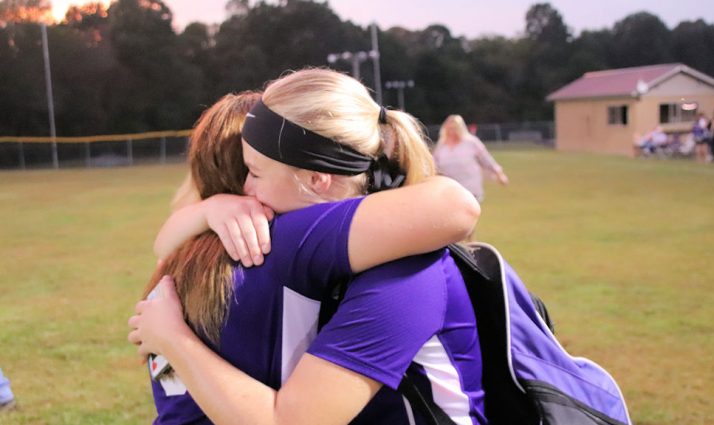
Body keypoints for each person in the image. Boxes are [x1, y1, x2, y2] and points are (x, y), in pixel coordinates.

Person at [128, 69, 486, 424]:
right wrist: (208, 211)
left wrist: (172, 336)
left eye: (254, 172)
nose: (245, 192)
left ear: (316, 179)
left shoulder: (401, 266)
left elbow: (456, 205)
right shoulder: (285, 236)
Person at [433, 114, 508, 203]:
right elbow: (434, 164)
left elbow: (486, 159)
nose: (452, 130)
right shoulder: (441, 145)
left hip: (470, 187)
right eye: (449, 127)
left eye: (454, 127)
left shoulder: (471, 142)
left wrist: (499, 173)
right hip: (450, 187)